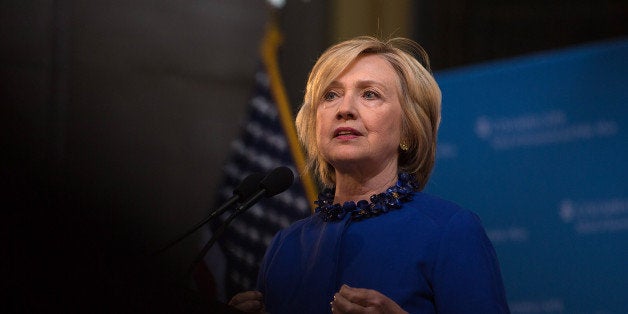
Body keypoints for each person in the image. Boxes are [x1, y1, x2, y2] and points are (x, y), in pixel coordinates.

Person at [228, 36, 510, 313]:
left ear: (408, 130)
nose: (345, 109)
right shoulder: (284, 246)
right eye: (331, 95)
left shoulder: (451, 231)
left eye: (370, 94)